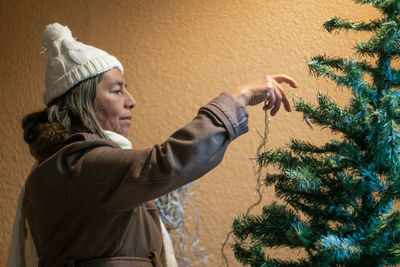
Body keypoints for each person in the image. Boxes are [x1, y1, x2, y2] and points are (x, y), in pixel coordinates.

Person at [15, 23, 298, 267]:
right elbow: (164, 163)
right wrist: (238, 98)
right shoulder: (80, 165)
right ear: (82, 103)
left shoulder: (66, 164)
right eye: (117, 90)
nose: (130, 100)